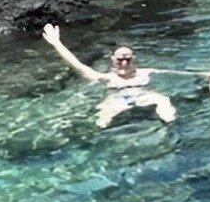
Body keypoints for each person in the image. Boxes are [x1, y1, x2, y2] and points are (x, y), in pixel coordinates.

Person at [41, 24, 177, 127]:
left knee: (163, 99)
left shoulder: (145, 72)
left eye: (127, 58)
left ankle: (170, 125)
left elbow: (179, 74)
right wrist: (56, 43)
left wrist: (199, 75)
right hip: (117, 100)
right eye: (119, 59)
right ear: (113, 60)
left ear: (133, 59)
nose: (123, 62)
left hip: (143, 96)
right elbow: (77, 65)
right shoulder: (108, 77)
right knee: (102, 121)